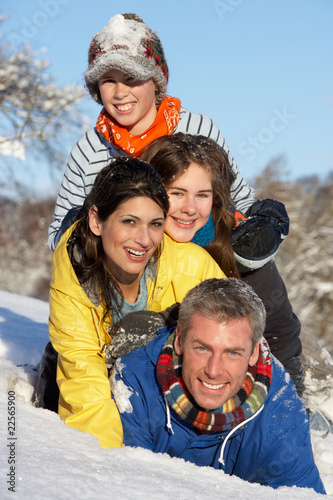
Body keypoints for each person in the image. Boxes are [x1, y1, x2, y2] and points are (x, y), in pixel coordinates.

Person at [43, 156, 225, 449]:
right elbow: (85, 378)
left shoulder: (190, 266)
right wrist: (113, 465)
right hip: (106, 389)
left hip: (172, 394)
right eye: (129, 222)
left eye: (155, 224)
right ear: (96, 221)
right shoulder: (74, 277)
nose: (144, 240)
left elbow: (235, 339)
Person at [47, 12, 256, 252]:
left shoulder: (198, 129)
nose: (119, 92)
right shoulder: (90, 149)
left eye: (131, 78)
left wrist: (261, 225)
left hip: (202, 263)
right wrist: (86, 230)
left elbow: (239, 198)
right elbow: (57, 237)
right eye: (108, 81)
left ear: (155, 82)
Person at [111, 278, 326, 494]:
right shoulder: (136, 382)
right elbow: (129, 489)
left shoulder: (281, 411)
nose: (213, 371)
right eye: (202, 349)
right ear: (179, 341)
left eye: (232, 353)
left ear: (253, 353)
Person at [141, 132, 304, 396]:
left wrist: (289, 402)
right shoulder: (131, 245)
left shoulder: (237, 249)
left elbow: (279, 333)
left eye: (202, 195)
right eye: (178, 193)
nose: (190, 208)